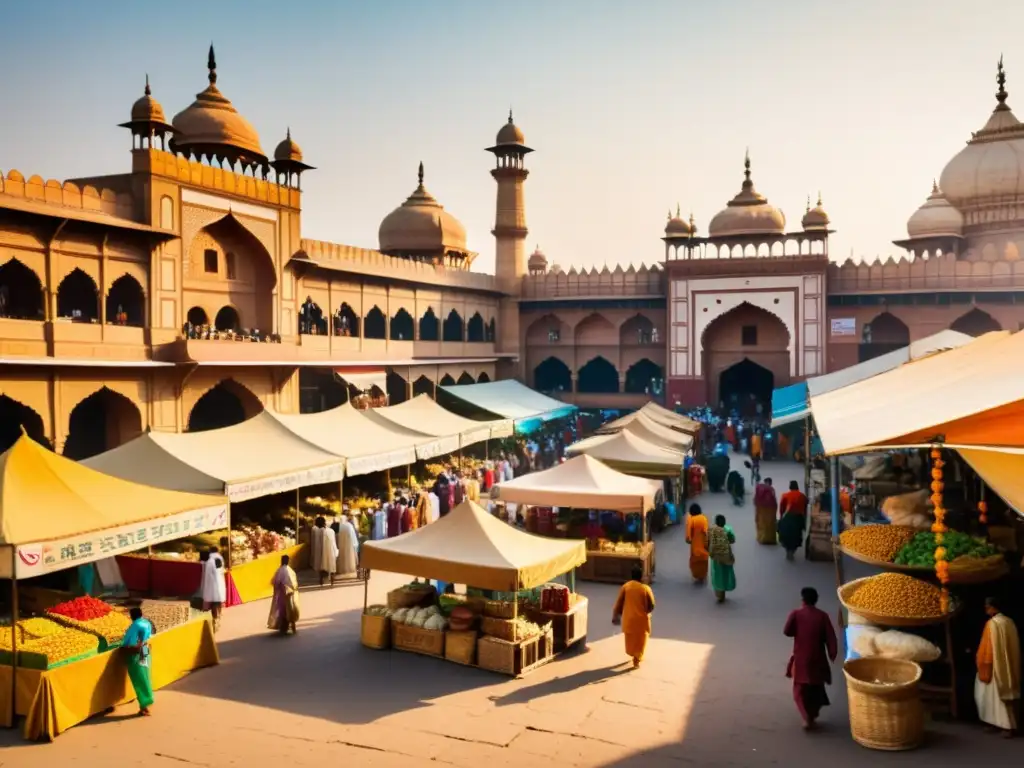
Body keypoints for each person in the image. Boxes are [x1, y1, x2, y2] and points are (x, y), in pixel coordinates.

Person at [784, 587, 838, 730]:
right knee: (816, 687)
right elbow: (830, 637)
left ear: (803, 599)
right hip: (817, 658)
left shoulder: (796, 614)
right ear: (816, 600)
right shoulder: (822, 616)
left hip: (800, 658)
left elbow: (787, 631)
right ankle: (812, 716)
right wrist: (833, 653)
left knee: (800, 689)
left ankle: (806, 717)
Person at [975, 596, 1020, 737]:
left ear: (994, 607)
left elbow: (987, 648)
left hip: (994, 666)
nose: (986, 609)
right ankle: (996, 723)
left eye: (988, 606)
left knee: (992, 695)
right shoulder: (1009, 622)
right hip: (1007, 666)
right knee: (999, 695)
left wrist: (983, 663)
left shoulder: (992, 624)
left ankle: (1007, 726)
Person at [612, 564, 655, 669]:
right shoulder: (645, 589)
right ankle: (636, 660)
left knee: (631, 640)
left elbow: (619, 603)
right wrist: (647, 612)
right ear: (641, 577)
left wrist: (616, 614)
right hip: (641, 621)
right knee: (640, 642)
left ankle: (632, 654)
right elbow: (652, 604)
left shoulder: (626, 586)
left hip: (629, 619)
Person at [123, 606, 155, 716]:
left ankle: (144, 705)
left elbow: (130, 643)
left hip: (136, 652)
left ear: (132, 616)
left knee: (139, 679)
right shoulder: (146, 622)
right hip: (145, 650)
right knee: (145, 675)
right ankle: (148, 700)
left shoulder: (135, 625)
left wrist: (125, 649)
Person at [268, 554, 300, 635]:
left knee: (282, 611)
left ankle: (284, 627)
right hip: (290, 594)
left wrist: (279, 587)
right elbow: (294, 583)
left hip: (282, 595)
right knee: (290, 609)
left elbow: (274, 581)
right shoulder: (290, 570)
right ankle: (293, 627)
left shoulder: (280, 570)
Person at [708, 514, 736, 603]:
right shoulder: (727, 529)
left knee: (717, 574)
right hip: (726, 555)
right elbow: (732, 539)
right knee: (726, 573)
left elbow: (707, 541)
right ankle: (724, 590)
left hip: (716, 557)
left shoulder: (712, 530)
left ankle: (719, 594)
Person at [778, 480, 809, 561]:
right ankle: (792, 551)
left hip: (788, 517)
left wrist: (781, 517)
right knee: (797, 536)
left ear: (790, 487)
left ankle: (788, 550)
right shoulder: (802, 496)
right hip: (798, 518)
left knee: (785, 534)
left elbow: (782, 508)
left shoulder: (785, 495)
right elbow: (806, 507)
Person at [200, 546, 227, 632]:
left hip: (211, 586)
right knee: (217, 602)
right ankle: (218, 617)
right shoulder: (220, 558)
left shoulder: (209, 561)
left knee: (212, 603)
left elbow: (207, 575)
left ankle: (215, 620)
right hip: (219, 584)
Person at [685, 503, 709, 584]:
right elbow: (706, 532)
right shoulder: (704, 518)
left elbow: (688, 535)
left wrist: (688, 540)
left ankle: (697, 575)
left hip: (695, 545)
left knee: (695, 561)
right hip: (703, 544)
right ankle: (703, 575)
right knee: (704, 559)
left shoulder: (691, 519)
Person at [312, 516, 338, 587]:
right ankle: (332, 582)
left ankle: (321, 581)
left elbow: (317, 544)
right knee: (332, 567)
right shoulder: (331, 531)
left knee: (321, 566)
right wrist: (335, 551)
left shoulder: (317, 531)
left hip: (321, 552)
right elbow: (333, 543)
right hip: (331, 551)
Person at [754, 477, 779, 545]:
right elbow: (773, 500)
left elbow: (756, 498)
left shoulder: (759, 487)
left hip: (760, 508)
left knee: (761, 522)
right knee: (770, 523)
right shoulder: (771, 489)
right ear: (770, 483)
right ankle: (770, 539)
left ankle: (761, 538)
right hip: (770, 509)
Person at [336, 513, 359, 578]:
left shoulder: (340, 526)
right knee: (349, 556)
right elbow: (353, 536)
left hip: (342, 545)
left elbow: (337, 536)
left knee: (343, 556)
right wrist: (355, 543)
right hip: (349, 545)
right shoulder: (349, 525)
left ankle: (343, 568)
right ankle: (349, 568)